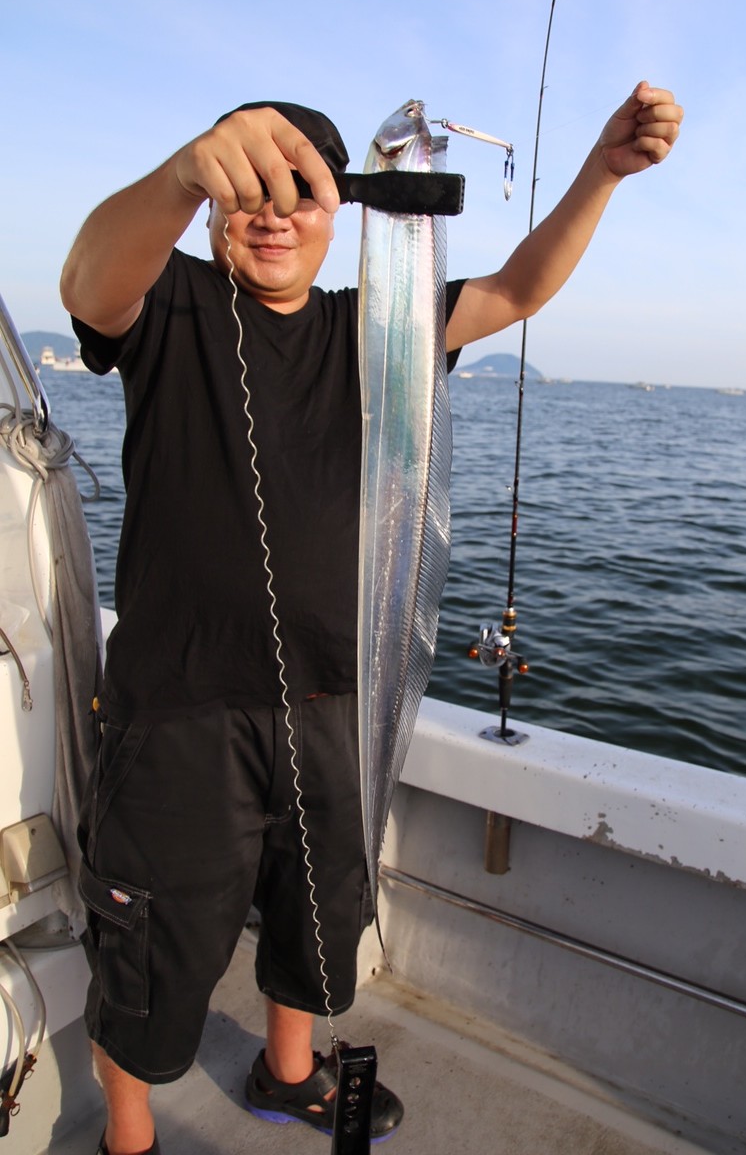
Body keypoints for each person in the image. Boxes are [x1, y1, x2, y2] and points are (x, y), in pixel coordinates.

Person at [60, 83, 682, 1155]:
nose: (272, 215)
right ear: (214, 206)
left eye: (300, 193)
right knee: (151, 949)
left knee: (320, 915)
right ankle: (129, 1137)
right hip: (179, 716)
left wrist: (602, 171)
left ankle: (288, 1068)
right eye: (248, 191)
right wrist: (181, 169)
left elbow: (517, 289)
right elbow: (89, 282)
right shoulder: (171, 303)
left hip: (341, 702)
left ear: (341, 210)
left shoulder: (382, 326)